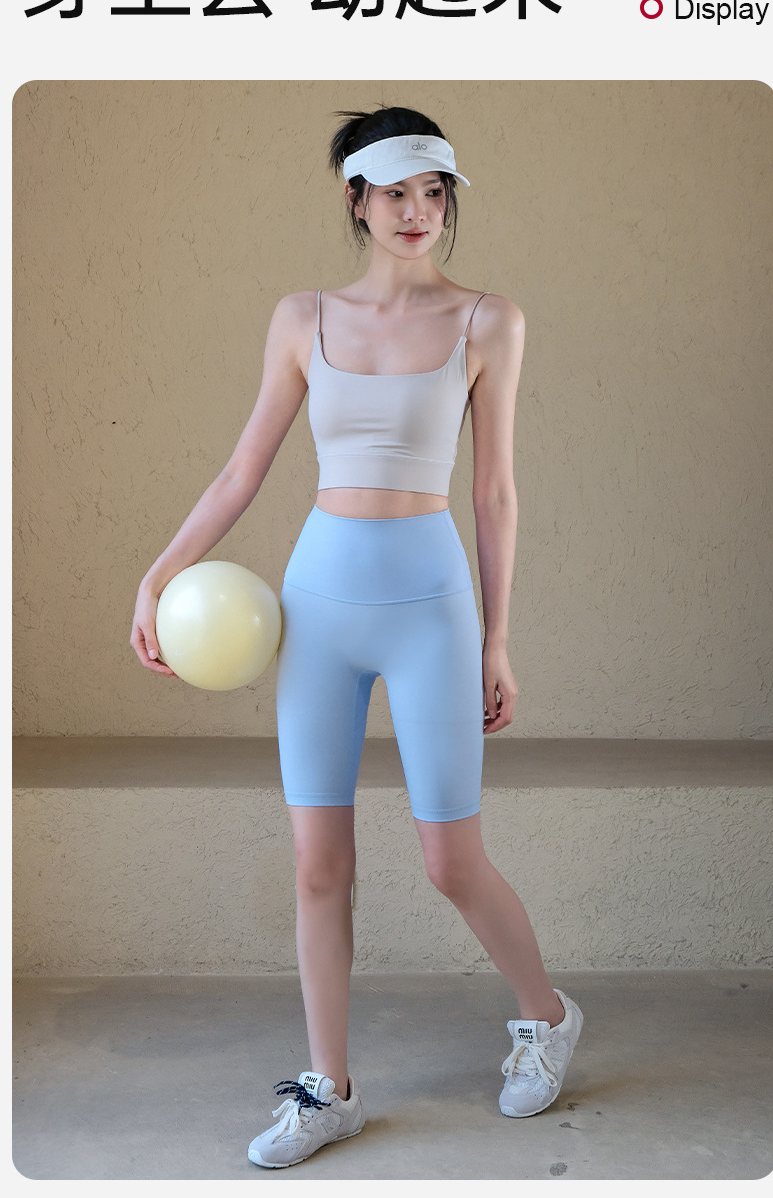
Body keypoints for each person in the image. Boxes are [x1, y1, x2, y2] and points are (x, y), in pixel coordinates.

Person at [130, 105, 583, 1169]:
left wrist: (498, 641)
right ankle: (327, 1089)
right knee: (316, 861)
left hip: (431, 605)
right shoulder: (302, 318)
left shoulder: (489, 322)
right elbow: (242, 470)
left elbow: (496, 493)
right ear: (356, 199)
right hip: (320, 605)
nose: (418, 212)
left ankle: (549, 1016)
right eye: (396, 193)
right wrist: (159, 574)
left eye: (434, 192)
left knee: (449, 859)